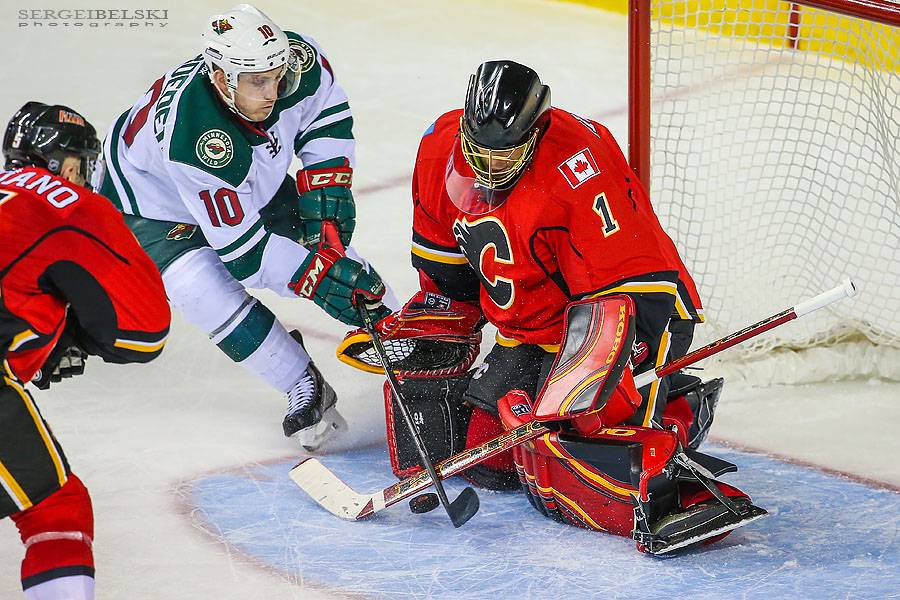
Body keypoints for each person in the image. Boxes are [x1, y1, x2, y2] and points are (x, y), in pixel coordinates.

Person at [339, 60, 764, 553]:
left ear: (536, 130)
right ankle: (593, 412)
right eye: (480, 152)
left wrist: (591, 380)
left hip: (627, 317)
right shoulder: (440, 147)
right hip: (530, 329)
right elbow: (448, 275)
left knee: (567, 460)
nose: (490, 168)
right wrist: (431, 324)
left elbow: (631, 283)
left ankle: (678, 407)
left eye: (507, 154)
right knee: (492, 462)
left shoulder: (581, 163)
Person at [94, 4, 393, 451]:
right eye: (258, 81)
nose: (274, 91)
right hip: (151, 205)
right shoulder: (195, 138)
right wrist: (317, 279)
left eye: (278, 75)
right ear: (220, 78)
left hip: (243, 170)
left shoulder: (296, 64)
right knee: (200, 289)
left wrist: (326, 184)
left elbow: (324, 111)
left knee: (325, 245)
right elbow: (247, 257)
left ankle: (421, 344)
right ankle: (299, 381)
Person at [1, 102, 171, 599]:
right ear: (66, 164)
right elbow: (144, 332)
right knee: (56, 510)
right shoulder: (68, 201)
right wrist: (73, 333)